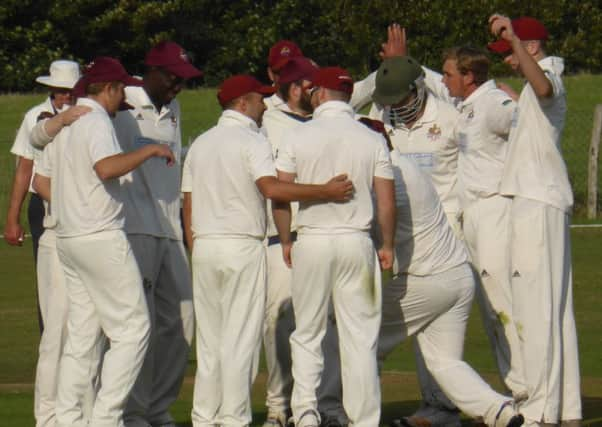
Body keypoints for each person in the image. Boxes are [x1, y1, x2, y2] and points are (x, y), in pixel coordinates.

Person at [182, 74, 354, 427]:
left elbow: (189, 203)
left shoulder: (200, 143)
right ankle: (234, 419)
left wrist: (194, 246)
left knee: (211, 341)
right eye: (259, 99)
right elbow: (272, 188)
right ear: (242, 104)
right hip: (242, 245)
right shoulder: (252, 138)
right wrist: (324, 191)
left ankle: (203, 419)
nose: (264, 105)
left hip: (204, 246)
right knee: (241, 338)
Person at [32, 56, 174, 427]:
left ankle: (68, 420)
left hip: (68, 238)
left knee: (82, 335)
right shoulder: (95, 119)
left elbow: (40, 169)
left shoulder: (68, 123)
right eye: (120, 90)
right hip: (99, 236)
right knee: (133, 329)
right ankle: (106, 419)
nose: (121, 100)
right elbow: (106, 168)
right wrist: (149, 150)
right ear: (109, 89)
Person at [273, 67, 396, 427]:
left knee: (308, 331)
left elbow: (279, 196)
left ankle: (307, 412)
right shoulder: (370, 139)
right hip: (356, 242)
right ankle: (364, 419)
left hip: (312, 239)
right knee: (360, 337)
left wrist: (285, 240)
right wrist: (386, 243)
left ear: (322, 94)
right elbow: (386, 202)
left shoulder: (299, 135)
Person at [378, 148, 525, 427]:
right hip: (458, 276)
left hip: (426, 280)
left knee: (363, 340)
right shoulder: (407, 168)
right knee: (445, 362)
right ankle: (501, 411)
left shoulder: (387, 182)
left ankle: (347, 416)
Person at [488, 14, 582, 427]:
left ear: (530, 47)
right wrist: (517, 91)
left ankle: (541, 407)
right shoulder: (532, 82)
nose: (506, 57)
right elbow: (535, 96)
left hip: (537, 199)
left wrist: (515, 43)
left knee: (537, 305)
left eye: (510, 49)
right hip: (539, 198)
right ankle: (563, 404)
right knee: (554, 308)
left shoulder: (547, 73)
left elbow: (543, 87)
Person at [370, 55, 463, 427]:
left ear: (419, 87)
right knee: (425, 328)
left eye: (399, 97)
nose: (393, 106)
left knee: (477, 320)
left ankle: (514, 398)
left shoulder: (449, 117)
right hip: (406, 238)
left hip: (451, 231)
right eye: (387, 98)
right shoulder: (382, 121)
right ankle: (439, 406)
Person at [112, 41, 201, 427]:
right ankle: (131, 412)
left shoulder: (174, 108)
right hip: (133, 228)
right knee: (139, 325)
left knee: (184, 317)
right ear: (150, 70)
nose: (177, 86)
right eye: (171, 77)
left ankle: (157, 408)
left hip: (169, 230)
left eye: (182, 80)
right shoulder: (123, 101)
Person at [261, 56, 347, 427]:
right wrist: (283, 239)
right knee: (279, 321)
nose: (313, 91)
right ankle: (279, 405)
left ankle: (323, 405)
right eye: (306, 85)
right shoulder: (264, 120)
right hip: (279, 236)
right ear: (295, 88)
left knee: (327, 324)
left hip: (320, 232)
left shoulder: (325, 121)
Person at [439, 45, 527, 402]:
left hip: (495, 208)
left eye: (448, 74)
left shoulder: (492, 103)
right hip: (472, 212)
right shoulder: (468, 105)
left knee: (503, 302)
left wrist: (522, 102)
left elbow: (529, 124)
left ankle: (527, 391)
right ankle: (514, 391)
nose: (443, 81)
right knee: (490, 307)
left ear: (468, 76)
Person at [3, 60, 80, 332]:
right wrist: (12, 219)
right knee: (48, 279)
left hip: (81, 204)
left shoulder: (87, 114)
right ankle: (49, 339)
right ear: (51, 89)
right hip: (43, 204)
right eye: (60, 90)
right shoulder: (34, 116)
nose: (66, 95)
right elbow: (25, 169)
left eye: (70, 89)